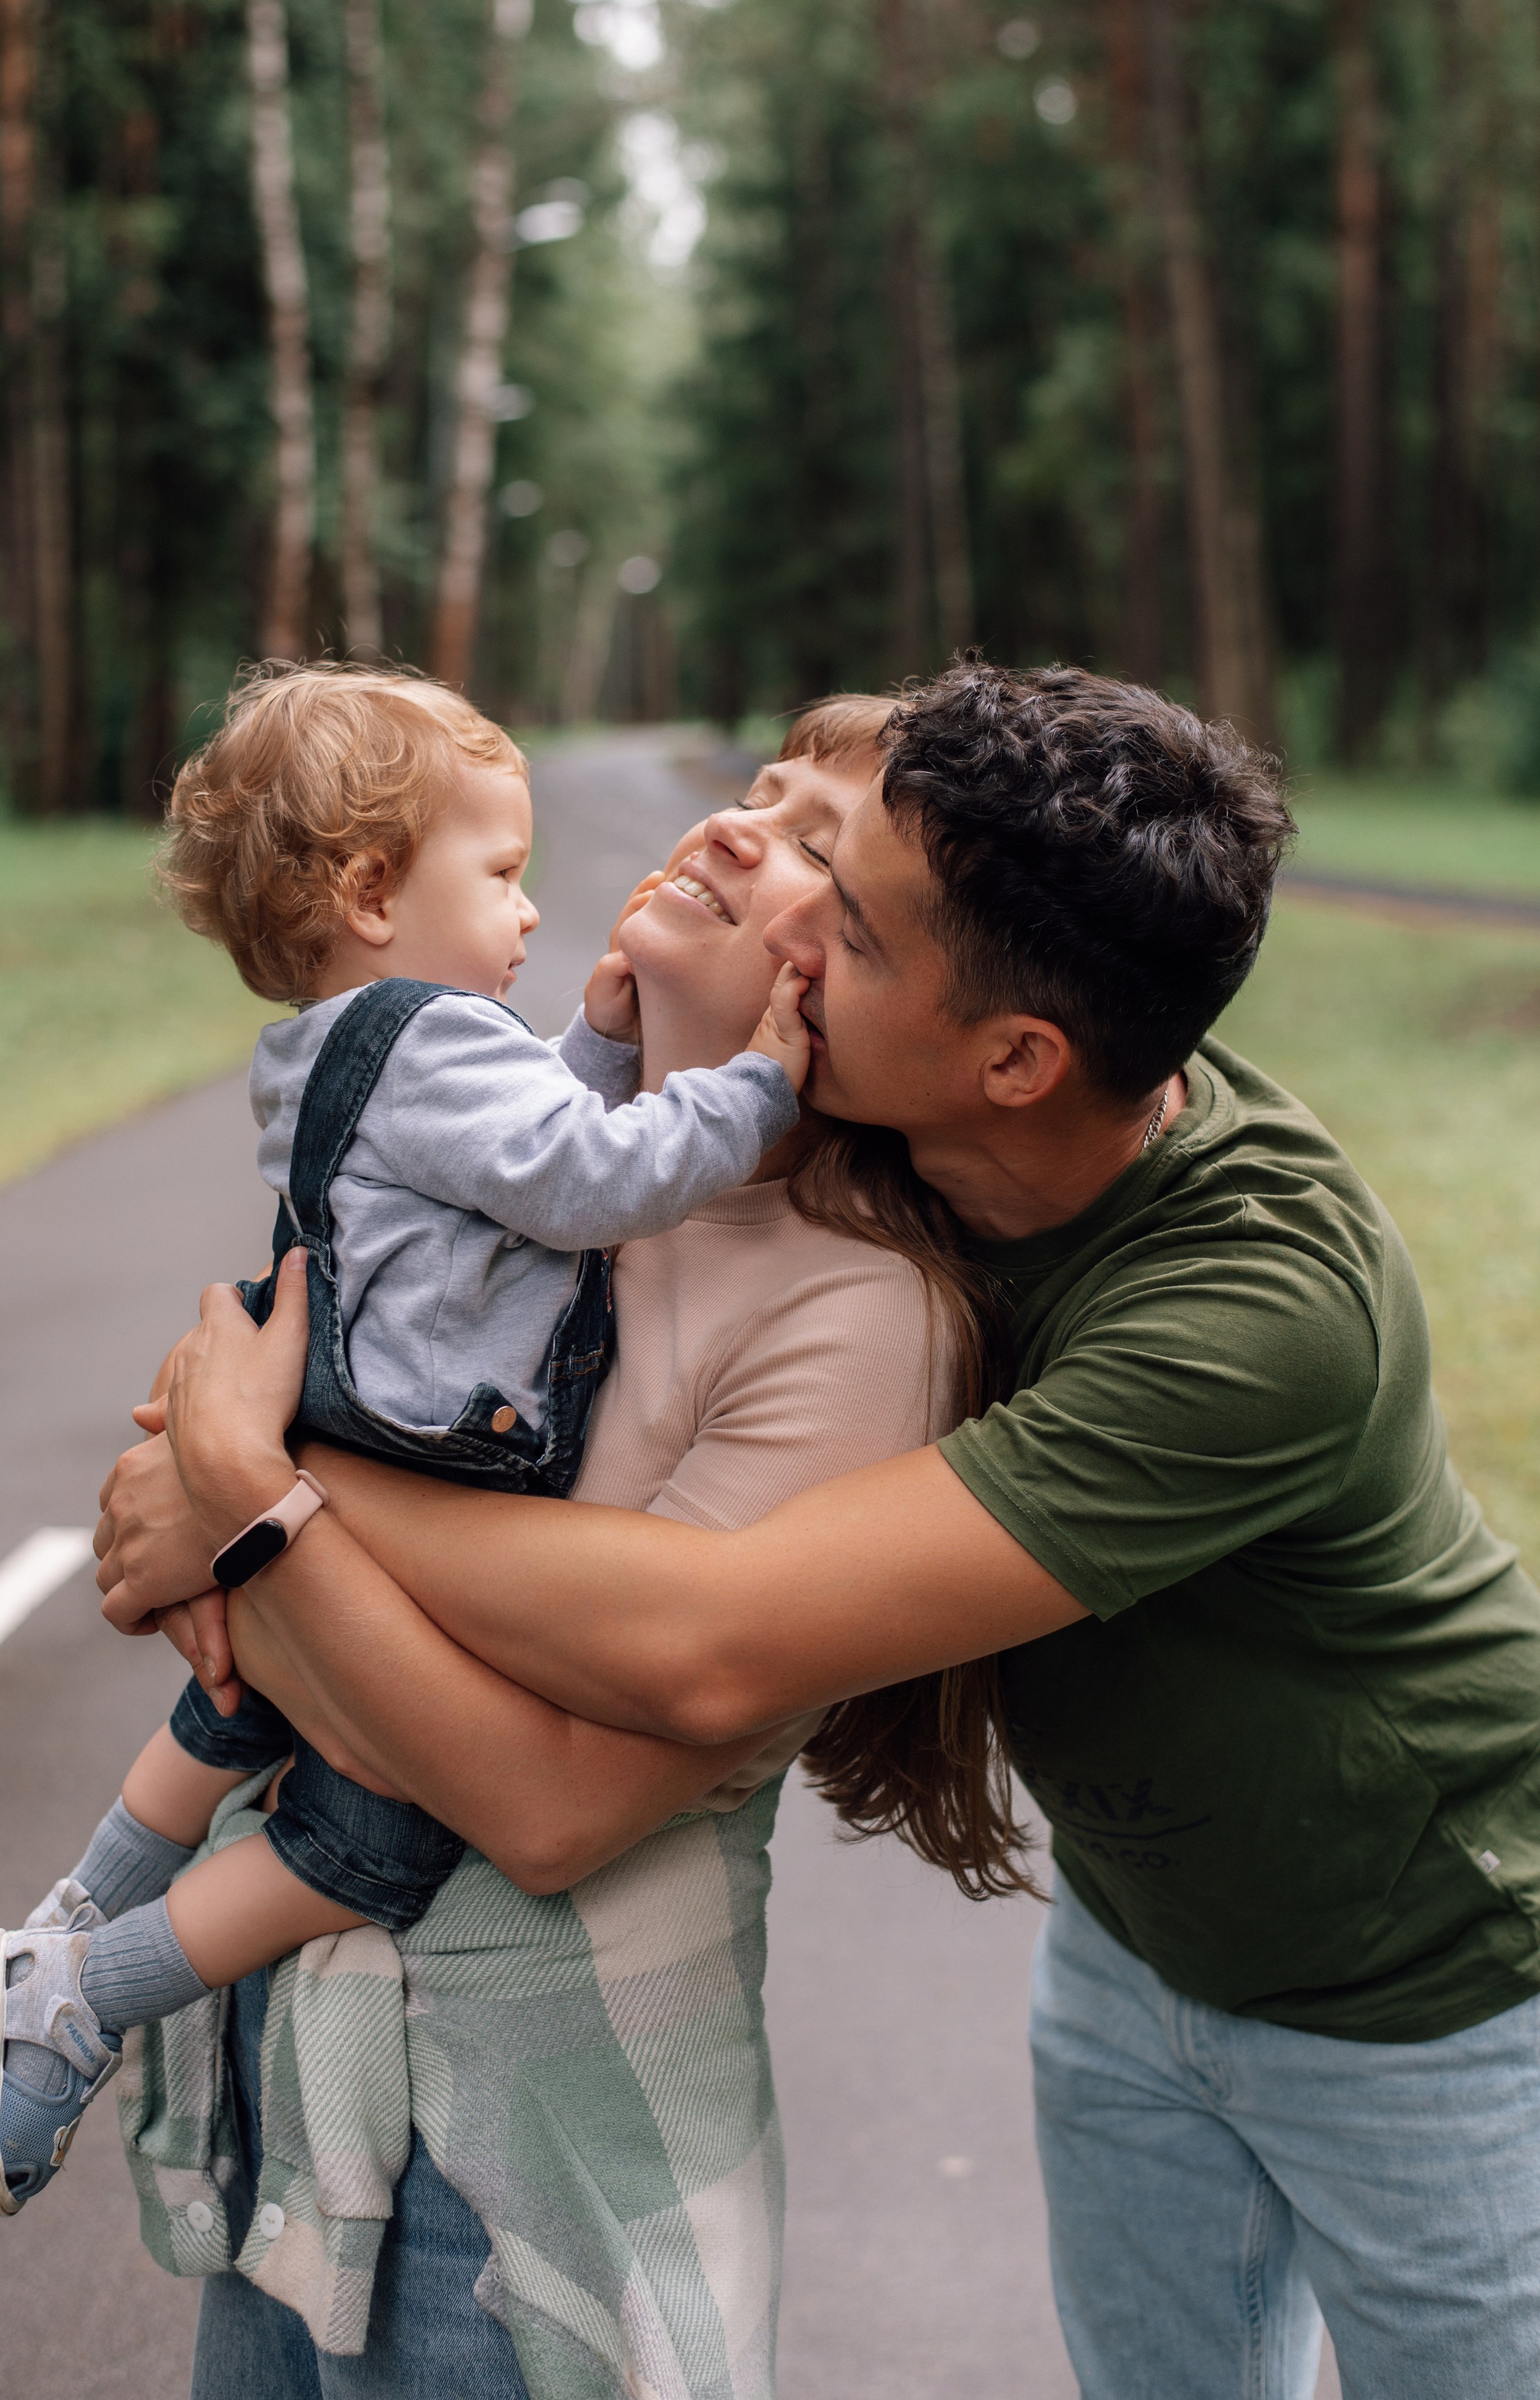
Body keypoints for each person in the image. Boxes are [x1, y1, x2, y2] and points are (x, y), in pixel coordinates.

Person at [103, 660, 1540, 2400]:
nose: (752, 845)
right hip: (1136, 1922)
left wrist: (258, 1489)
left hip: (1421, 1971)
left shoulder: (1245, 1311)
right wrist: (242, 1464)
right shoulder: (860, 1140)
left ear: (1013, 1055)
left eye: (844, 914)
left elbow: (708, 1637)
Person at [0, 662, 814, 2222]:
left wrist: (596, 1044)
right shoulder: (436, 1037)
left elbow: (480, 1188)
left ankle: (72, 1903)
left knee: (229, 1714)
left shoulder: (345, 1042)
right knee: (371, 1834)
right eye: (500, 875)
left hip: (357, 1414)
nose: (521, 913)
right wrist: (756, 1086)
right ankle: (93, 1979)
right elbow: (583, 1189)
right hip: (436, 1459)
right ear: (371, 887)